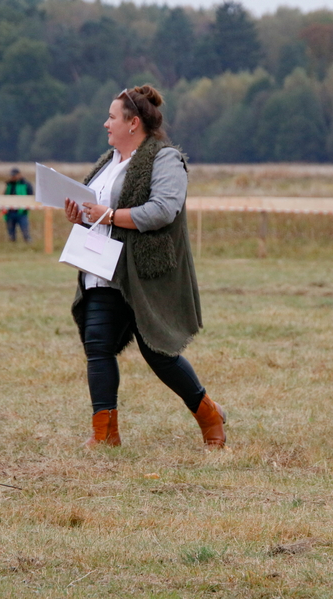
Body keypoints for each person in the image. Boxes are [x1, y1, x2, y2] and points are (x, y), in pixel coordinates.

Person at [63, 85, 226, 449]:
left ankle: (209, 415)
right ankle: (105, 434)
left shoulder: (165, 159)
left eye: (112, 117)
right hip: (102, 270)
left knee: (159, 355)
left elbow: (162, 210)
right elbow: (100, 214)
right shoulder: (107, 163)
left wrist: (108, 215)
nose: (106, 123)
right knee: (97, 346)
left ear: (133, 123)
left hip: (144, 274)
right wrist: (82, 216)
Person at [3, 168, 32, 242]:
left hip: (22, 212)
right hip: (10, 212)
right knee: (11, 233)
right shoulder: (9, 185)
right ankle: (12, 245)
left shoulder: (26, 184)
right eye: (12, 175)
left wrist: (26, 208)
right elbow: (5, 196)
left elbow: (31, 196)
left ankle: (28, 243)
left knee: (25, 231)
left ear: (19, 175)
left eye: (14, 175)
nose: (13, 177)